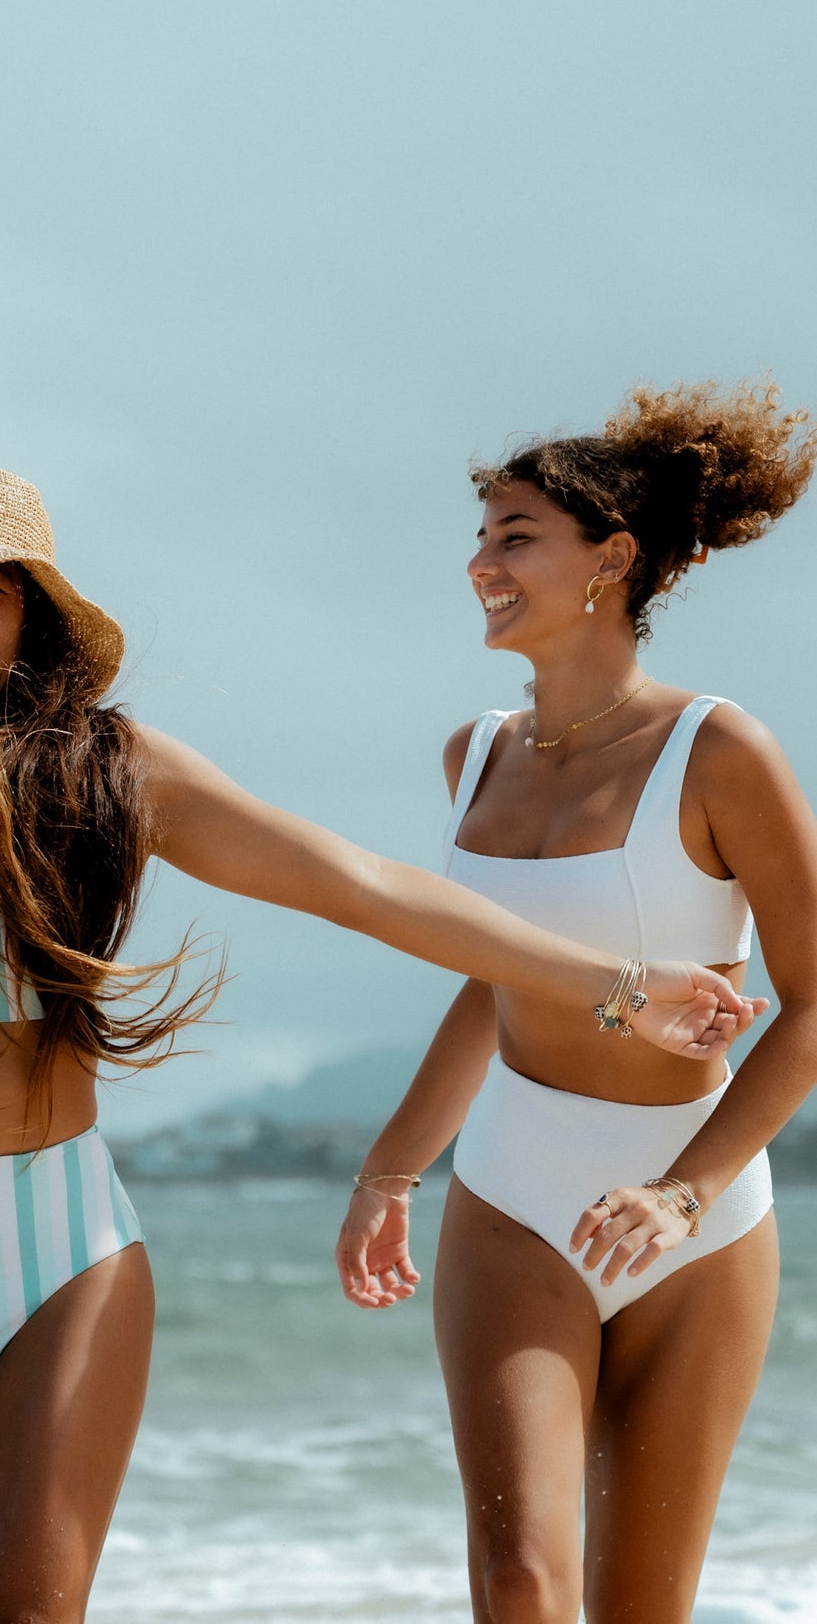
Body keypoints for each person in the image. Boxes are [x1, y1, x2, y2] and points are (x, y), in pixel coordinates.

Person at [0, 459, 761, 1624]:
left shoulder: (112, 774)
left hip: (57, 1250)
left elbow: (362, 886)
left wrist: (617, 984)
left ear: (36, 620)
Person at [336, 382, 817, 1624]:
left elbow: (813, 1004)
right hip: (511, 1190)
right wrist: (391, 1169)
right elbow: (491, 976)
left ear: (611, 558)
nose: (480, 563)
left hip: (693, 1218)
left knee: (641, 1603)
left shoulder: (719, 752)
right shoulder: (474, 754)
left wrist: (681, 1193)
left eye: (514, 535)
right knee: (517, 1582)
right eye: (484, 536)